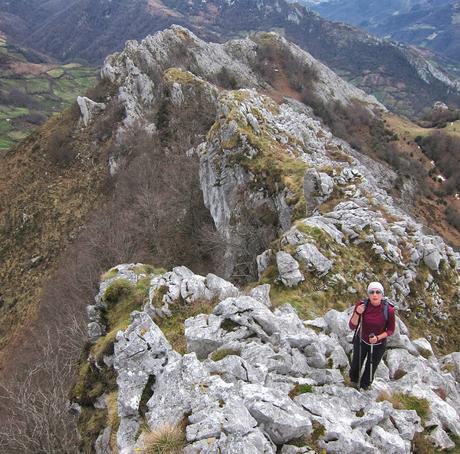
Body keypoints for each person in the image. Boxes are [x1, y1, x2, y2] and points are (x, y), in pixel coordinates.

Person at [348, 281, 396, 390]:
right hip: (361, 340)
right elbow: (352, 326)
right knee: (356, 364)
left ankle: (365, 386)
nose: (375, 295)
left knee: (371, 367)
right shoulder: (361, 305)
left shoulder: (389, 310)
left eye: (378, 292)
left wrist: (378, 338)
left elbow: (391, 330)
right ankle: (353, 383)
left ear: (382, 295)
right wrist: (357, 313)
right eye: (372, 292)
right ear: (368, 294)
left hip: (378, 344)